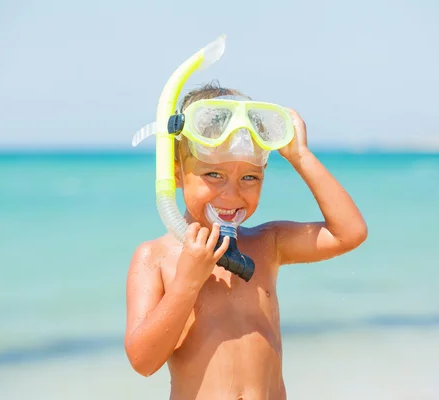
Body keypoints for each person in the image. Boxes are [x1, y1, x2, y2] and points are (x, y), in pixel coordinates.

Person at [124, 81, 368, 399]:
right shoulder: (155, 257)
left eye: (249, 177)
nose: (232, 194)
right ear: (177, 173)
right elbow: (143, 361)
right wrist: (187, 283)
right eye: (214, 175)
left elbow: (349, 232)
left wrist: (300, 156)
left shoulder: (268, 244)